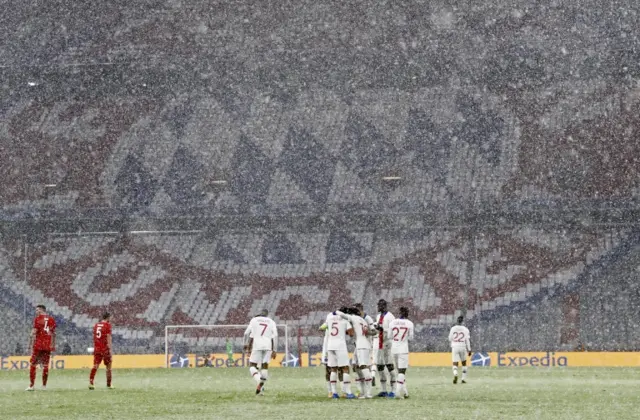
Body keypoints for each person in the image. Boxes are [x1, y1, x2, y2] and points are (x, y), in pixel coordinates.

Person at [336, 307, 374, 399]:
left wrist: (336, 311)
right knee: (355, 366)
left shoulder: (353, 318)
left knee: (363, 366)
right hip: (362, 345)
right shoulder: (363, 320)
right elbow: (368, 332)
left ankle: (368, 393)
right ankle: (362, 391)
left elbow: (341, 314)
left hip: (361, 346)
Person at [243, 309, 278, 395]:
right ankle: (261, 384)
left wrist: (245, 344)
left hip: (257, 346)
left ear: (260, 314)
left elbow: (246, 333)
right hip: (268, 346)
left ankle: (259, 382)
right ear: (267, 315)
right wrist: (275, 350)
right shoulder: (271, 321)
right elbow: (275, 335)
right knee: (265, 366)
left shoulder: (254, 320)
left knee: (252, 366)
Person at [325, 309, 356, 399]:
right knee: (345, 368)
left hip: (330, 345)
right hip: (340, 345)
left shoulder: (330, 318)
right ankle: (348, 392)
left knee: (333, 369)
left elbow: (324, 327)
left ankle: (334, 393)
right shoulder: (344, 320)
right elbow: (351, 333)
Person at [26, 304, 56, 391]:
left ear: (42, 310)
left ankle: (31, 386)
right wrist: (53, 345)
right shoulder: (51, 319)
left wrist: (30, 342)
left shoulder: (38, 319)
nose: (36, 312)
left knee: (33, 364)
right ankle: (44, 386)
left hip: (39, 345)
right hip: (47, 345)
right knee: (45, 365)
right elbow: (54, 334)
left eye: (37, 310)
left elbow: (34, 332)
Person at [389, 307, 414, 399]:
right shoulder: (410, 323)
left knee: (398, 372)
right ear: (407, 313)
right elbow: (411, 338)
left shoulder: (392, 322)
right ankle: (397, 392)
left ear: (399, 312)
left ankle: (405, 392)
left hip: (394, 349)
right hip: (403, 349)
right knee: (402, 371)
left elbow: (389, 336)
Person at [373, 299, 396, 397]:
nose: (377, 307)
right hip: (380, 343)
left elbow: (393, 331)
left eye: (379, 305)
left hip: (387, 343)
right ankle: (383, 390)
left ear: (383, 306)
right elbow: (379, 329)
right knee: (380, 366)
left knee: (390, 366)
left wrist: (382, 329)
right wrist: (377, 328)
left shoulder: (390, 317)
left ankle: (394, 390)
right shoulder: (378, 316)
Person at [89, 312, 114, 389]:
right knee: (109, 366)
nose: (111, 320)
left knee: (95, 365)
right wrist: (110, 350)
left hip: (97, 348)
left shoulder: (96, 325)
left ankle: (91, 382)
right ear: (108, 318)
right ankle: (109, 384)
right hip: (105, 348)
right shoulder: (108, 325)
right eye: (111, 318)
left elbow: (95, 337)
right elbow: (108, 338)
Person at [448, 315, 471, 384]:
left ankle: (455, 374)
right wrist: (469, 349)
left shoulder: (453, 328)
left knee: (455, 363)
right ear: (462, 321)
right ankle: (463, 379)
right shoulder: (465, 329)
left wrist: (454, 341)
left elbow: (449, 338)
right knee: (464, 363)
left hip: (455, 347)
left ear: (457, 321)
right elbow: (467, 340)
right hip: (463, 347)